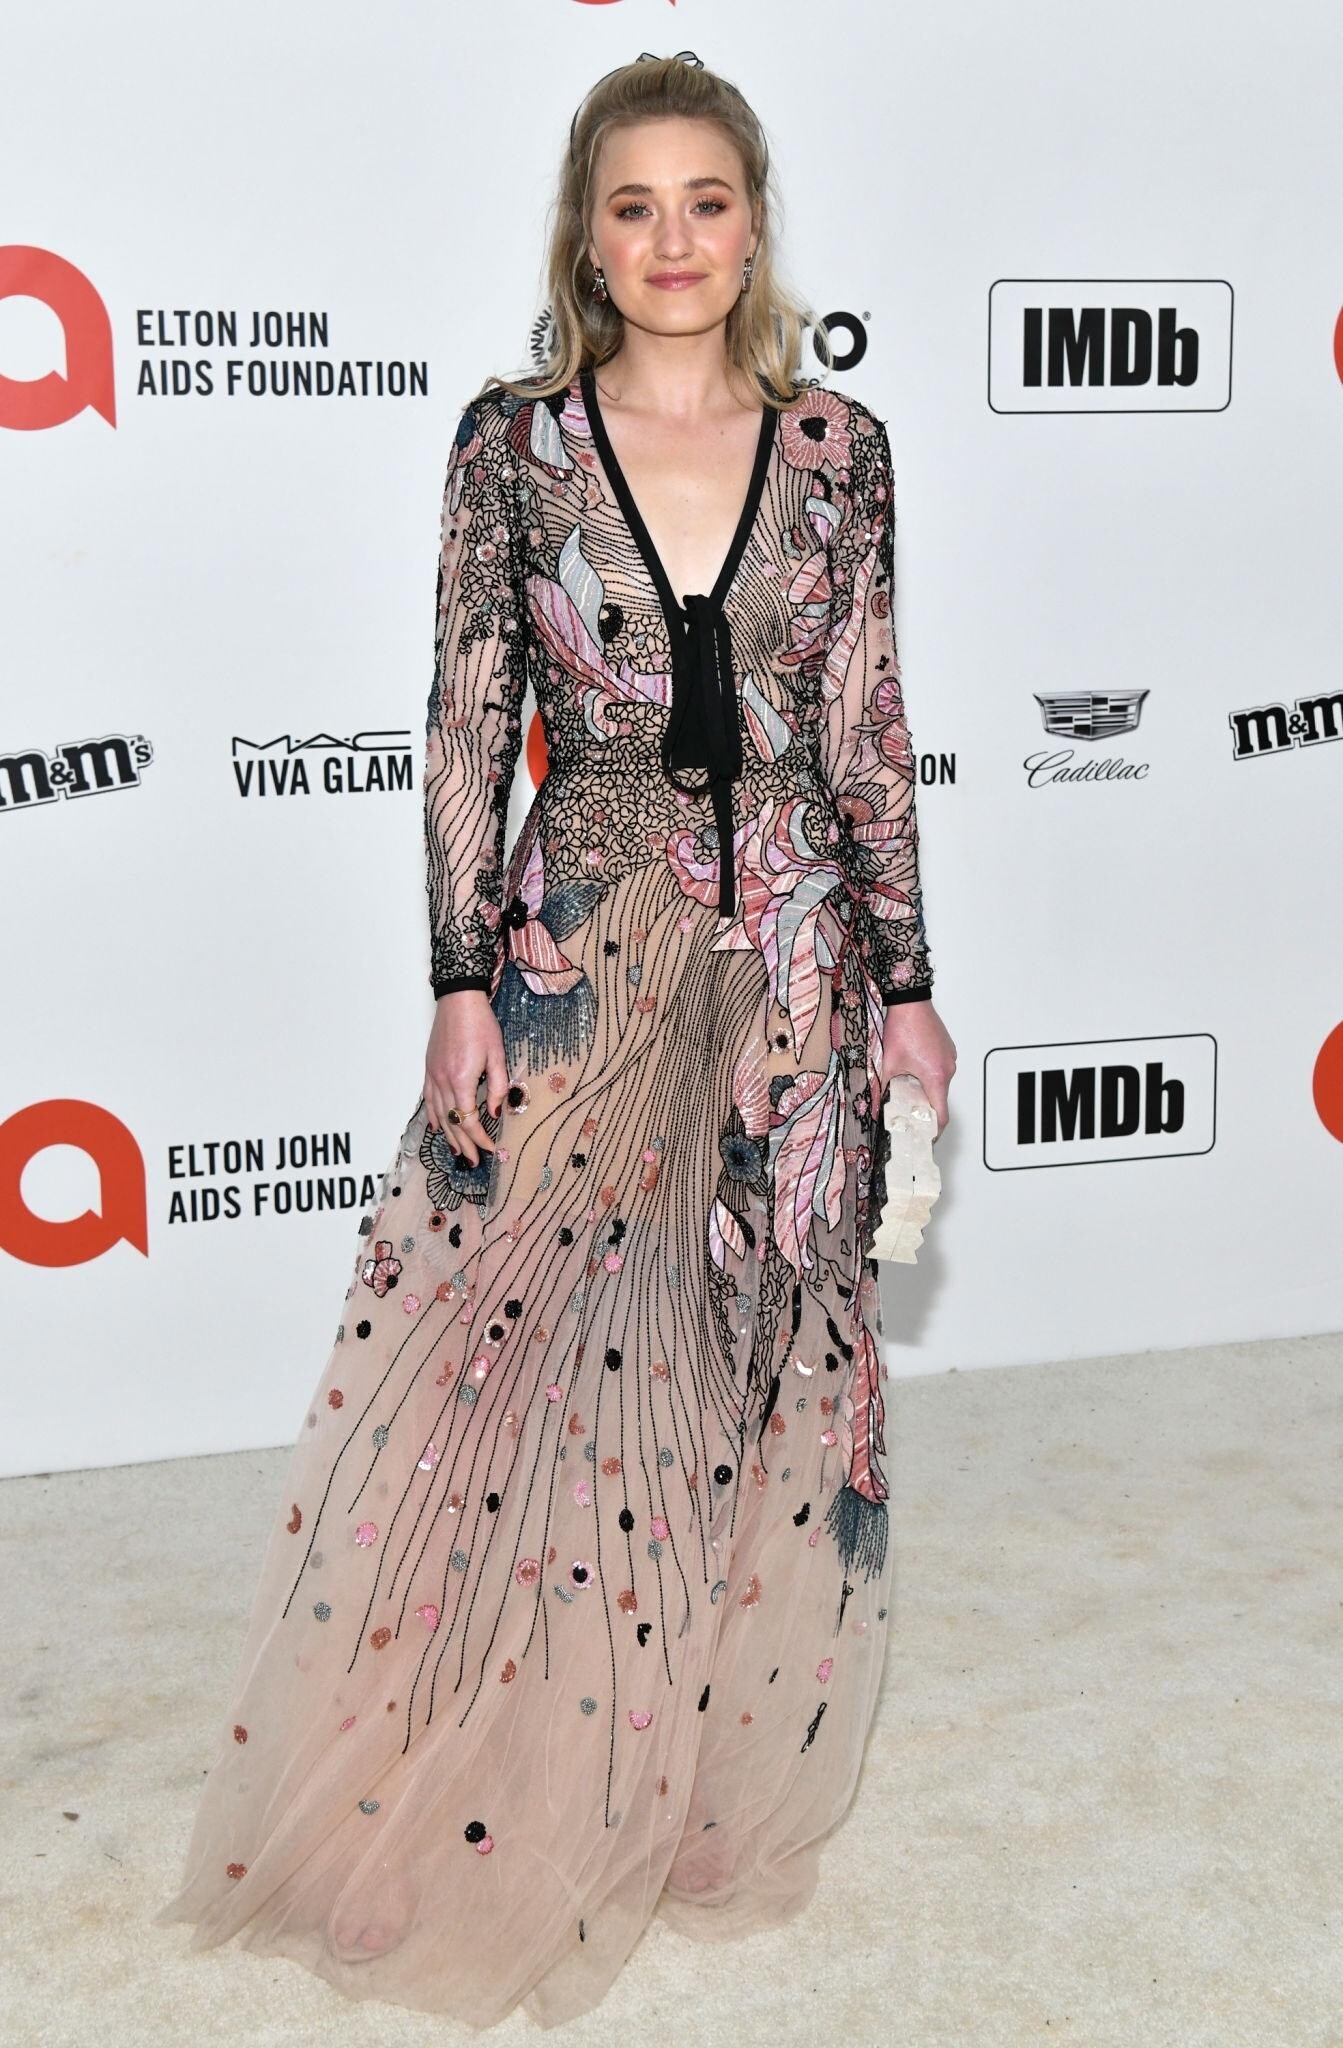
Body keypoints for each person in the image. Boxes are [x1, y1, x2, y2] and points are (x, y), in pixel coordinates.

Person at [153, 50, 956, 2032]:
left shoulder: (841, 449)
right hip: (579, 949)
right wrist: (456, 977)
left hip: (798, 973)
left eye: (707, 201)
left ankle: (688, 1785)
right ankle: (424, 1802)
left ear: (752, 225)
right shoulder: (512, 443)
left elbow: (868, 725)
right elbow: (463, 712)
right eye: (634, 205)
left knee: (754, 1375)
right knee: (512, 1379)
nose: (673, 240)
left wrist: (913, 984)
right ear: (586, 238)